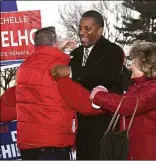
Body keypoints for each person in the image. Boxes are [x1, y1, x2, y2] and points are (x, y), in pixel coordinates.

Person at [15, 26, 102, 160]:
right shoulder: (59, 68)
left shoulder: (23, 67)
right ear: (56, 43)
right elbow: (83, 103)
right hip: (53, 143)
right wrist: (107, 103)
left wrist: (55, 51)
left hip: (26, 144)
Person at [51, 10, 125, 159]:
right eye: (80, 28)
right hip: (81, 127)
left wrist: (72, 71)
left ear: (100, 30)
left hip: (104, 125)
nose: (81, 32)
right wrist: (56, 52)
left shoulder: (114, 51)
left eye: (87, 28)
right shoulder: (76, 53)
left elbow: (106, 76)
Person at [89, 41, 156, 160]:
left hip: (142, 153)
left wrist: (100, 96)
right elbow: (122, 112)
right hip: (129, 150)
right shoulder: (137, 86)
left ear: (146, 64)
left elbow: (129, 106)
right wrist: (104, 100)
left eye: (133, 62)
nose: (130, 66)